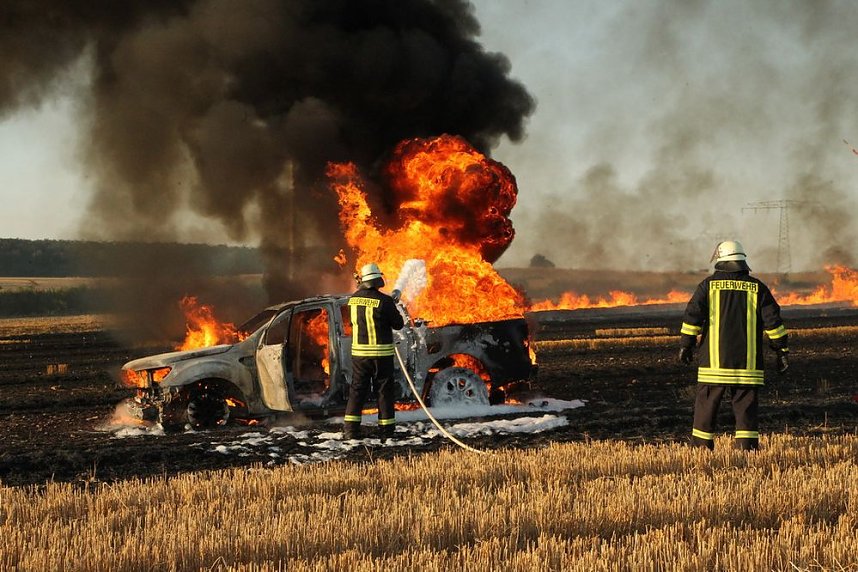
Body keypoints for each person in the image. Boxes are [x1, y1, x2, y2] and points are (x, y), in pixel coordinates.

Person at [679, 240, 789, 451]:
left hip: (714, 364)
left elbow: (692, 317)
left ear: (720, 260)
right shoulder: (758, 288)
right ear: (742, 260)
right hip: (747, 365)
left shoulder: (707, 286)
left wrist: (686, 345)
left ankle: (701, 448)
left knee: (706, 406)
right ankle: (746, 449)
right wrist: (781, 350)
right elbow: (773, 322)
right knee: (746, 408)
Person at [342, 262, 404, 440]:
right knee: (384, 392)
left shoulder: (352, 300)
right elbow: (398, 324)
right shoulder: (385, 301)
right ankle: (386, 431)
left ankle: (351, 431)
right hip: (381, 355)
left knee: (357, 391)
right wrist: (393, 305)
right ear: (377, 280)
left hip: (360, 355)